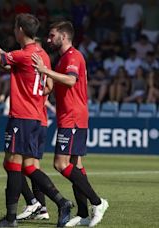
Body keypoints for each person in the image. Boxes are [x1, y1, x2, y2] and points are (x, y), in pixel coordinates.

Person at [0, 13, 73, 227]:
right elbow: (21, 70)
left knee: (13, 165)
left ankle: (11, 218)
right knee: (29, 167)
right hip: (37, 118)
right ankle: (61, 202)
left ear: (21, 31)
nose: (14, 31)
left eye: (15, 27)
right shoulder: (42, 54)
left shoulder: (24, 54)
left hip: (22, 117)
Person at [32, 21, 109, 227]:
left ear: (64, 37)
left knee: (60, 164)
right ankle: (83, 214)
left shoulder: (73, 56)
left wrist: (45, 71)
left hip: (73, 116)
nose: (49, 39)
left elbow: (71, 80)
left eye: (52, 35)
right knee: (76, 165)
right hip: (70, 115)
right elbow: (57, 84)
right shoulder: (62, 59)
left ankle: (98, 202)